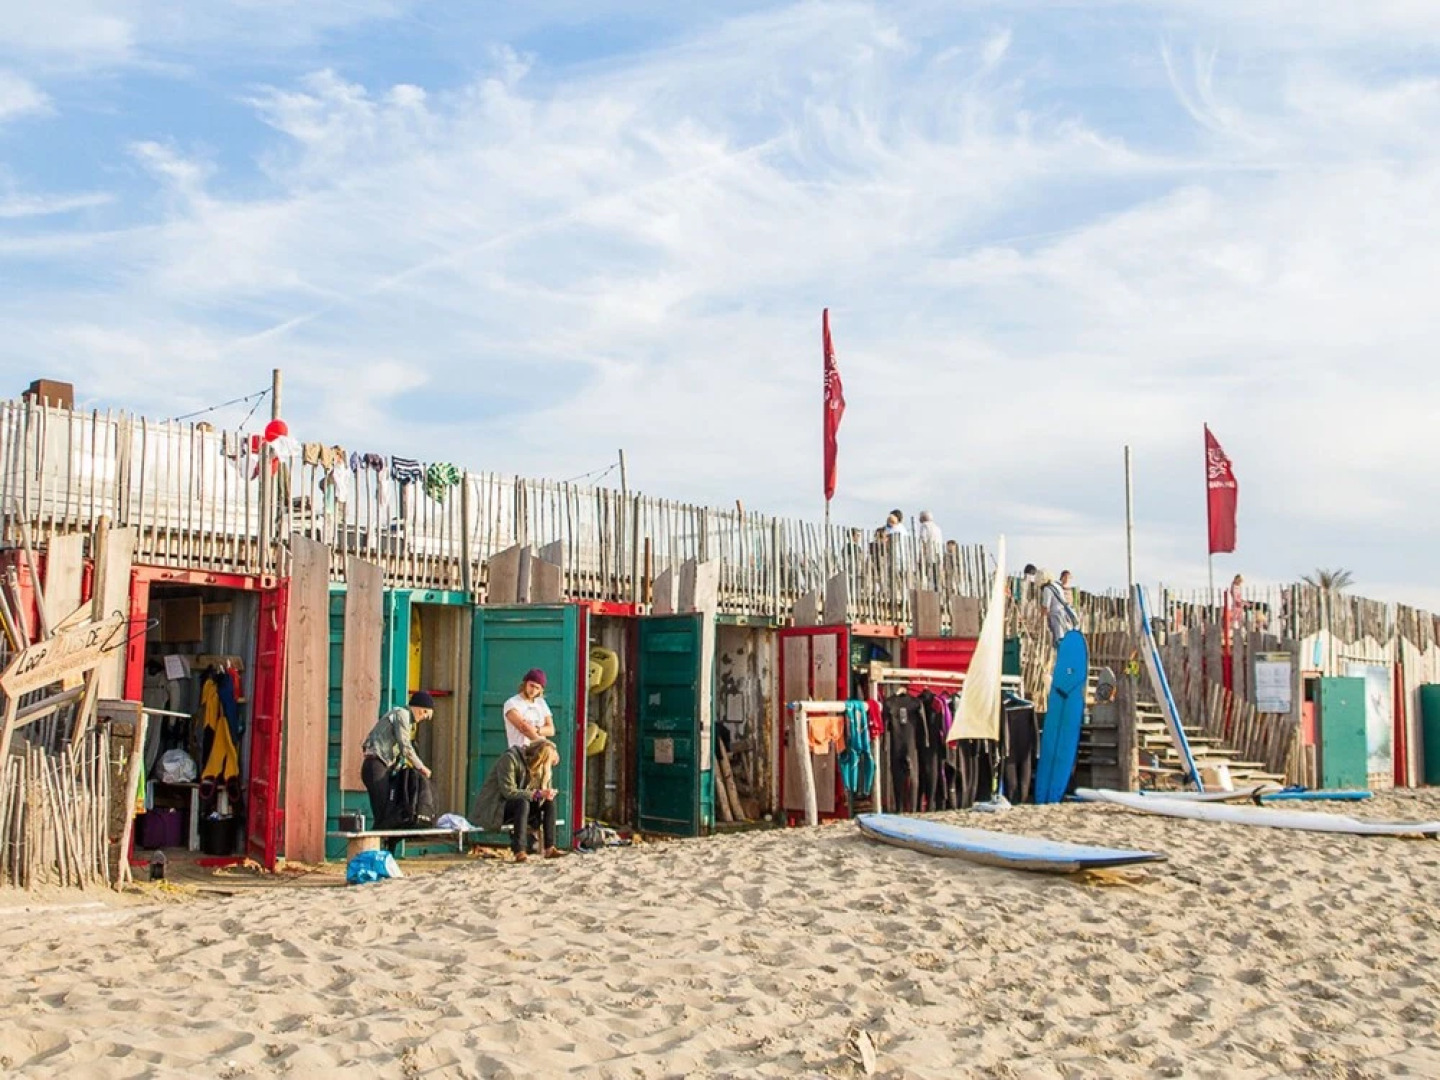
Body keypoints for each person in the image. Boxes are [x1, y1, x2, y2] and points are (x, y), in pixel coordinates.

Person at [471, 739, 565, 862]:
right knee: (522, 802)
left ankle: (550, 847)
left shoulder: (541, 769)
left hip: (522, 806)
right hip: (498, 808)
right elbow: (509, 792)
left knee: (549, 803)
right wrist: (537, 794)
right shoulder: (510, 759)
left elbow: (539, 794)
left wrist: (546, 794)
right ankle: (520, 850)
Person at [360, 691, 434, 830]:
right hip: (376, 765)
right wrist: (421, 767)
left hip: (384, 767)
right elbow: (405, 746)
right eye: (424, 712)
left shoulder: (409, 722)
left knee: (389, 814)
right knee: (383, 816)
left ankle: (384, 848)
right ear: (417, 707)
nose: (424, 717)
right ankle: (374, 849)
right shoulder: (402, 715)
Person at [504, 669, 556, 749]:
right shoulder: (512, 703)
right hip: (520, 753)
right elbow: (525, 728)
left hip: (539, 754)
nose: (533, 690)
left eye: (537, 688)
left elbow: (551, 730)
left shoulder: (541, 703)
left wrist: (536, 729)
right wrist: (545, 747)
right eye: (531, 685)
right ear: (525, 684)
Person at [1038, 569, 1080, 645]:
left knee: (1059, 641)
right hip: (1065, 616)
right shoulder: (1057, 586)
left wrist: (1041, 621)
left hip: (1057, 618)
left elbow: (1045, 607)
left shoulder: (1047, 589)